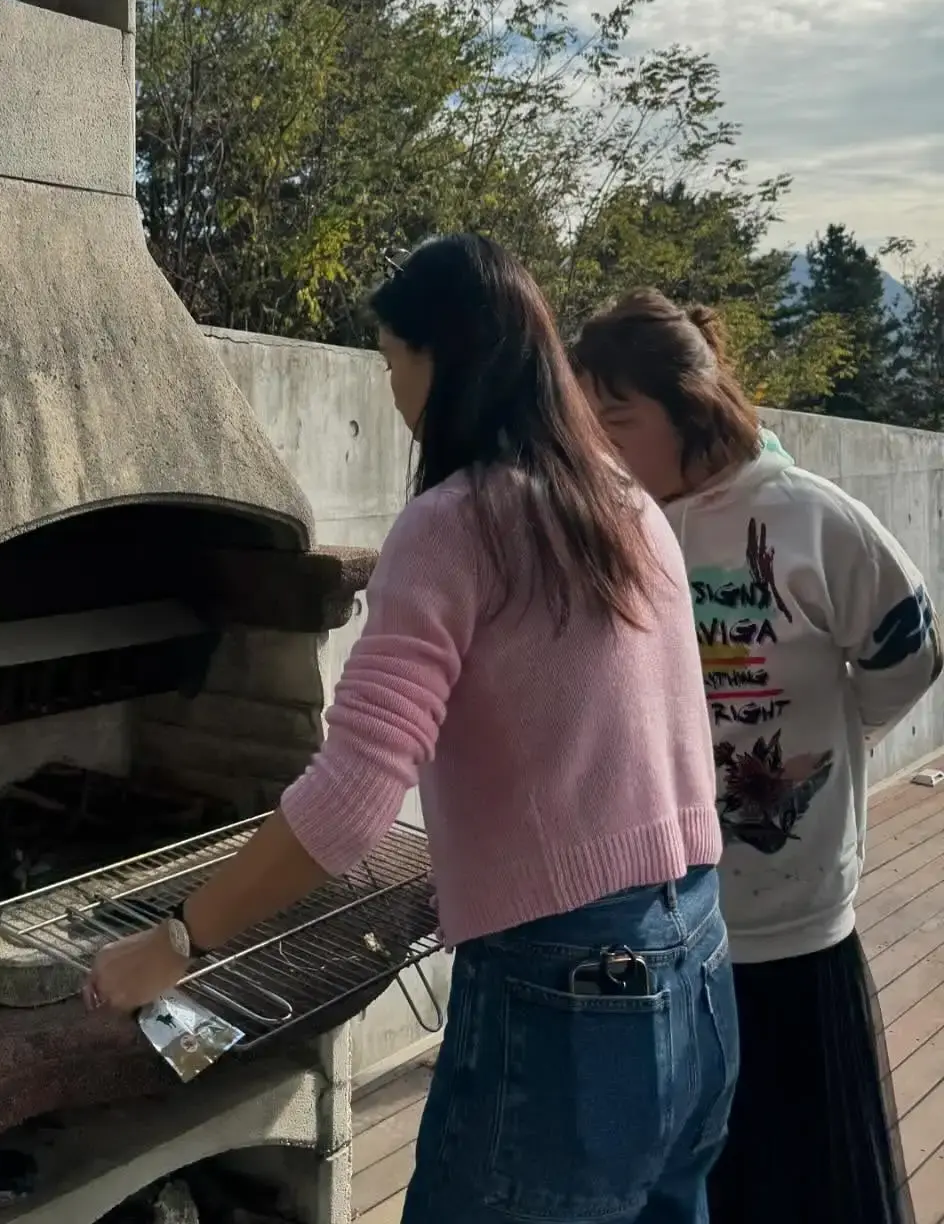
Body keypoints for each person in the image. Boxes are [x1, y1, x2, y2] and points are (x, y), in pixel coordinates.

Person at [87, 236, 736, 1224]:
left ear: (446, 358)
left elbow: (349, 805)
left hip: (570, 998)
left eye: (395, 363)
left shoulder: (456, 523)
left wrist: (175, 943)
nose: (394, 394)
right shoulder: (626, 508)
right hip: (697, 971)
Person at [573, 288, 942, 1224]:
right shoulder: (622, 526)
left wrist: (843, 738)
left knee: (802, 1176)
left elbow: (910, 650)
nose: (603, 446)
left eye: (619, 419)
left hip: (796, 926)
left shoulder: (815, 520)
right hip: (666, 918)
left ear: (691, 408)